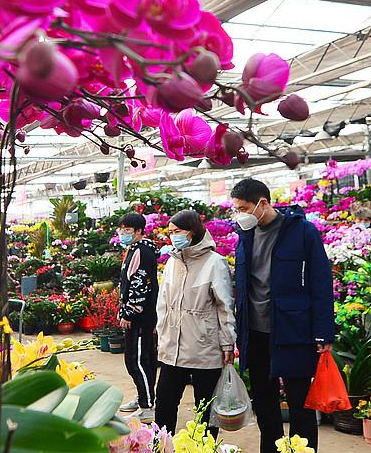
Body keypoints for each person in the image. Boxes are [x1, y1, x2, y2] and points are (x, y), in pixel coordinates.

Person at [231, 179, 334, 453]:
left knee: (300, 402)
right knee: (265, 403)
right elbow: (242, 287)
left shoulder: (302, 232)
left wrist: (323, 332)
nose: (238, 215)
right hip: (255, 333)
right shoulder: (245, 236)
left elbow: (321, 283)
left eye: (243, 208)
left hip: (292, 331)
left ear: (263, 204)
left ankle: (304, 449)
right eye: (236, 209)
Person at [154, 210, 236, 437]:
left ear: (192, 231)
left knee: (206, 410)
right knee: (164, 403)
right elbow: (163, 303)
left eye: (177, 231)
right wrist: (162, 334)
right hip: (172, 347)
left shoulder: (215, 263)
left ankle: (204, 448)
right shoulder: (173, 262)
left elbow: (225, 307)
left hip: (204, 347)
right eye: (170, 232)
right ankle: (162, 446)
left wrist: (228, 344)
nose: (173, 237)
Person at [116, 212, 160, 419]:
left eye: (127, 230)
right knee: (146, 359)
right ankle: (146, 396)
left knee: (137, 360)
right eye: (121, 229)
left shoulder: (141, 252)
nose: (123, 233)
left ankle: (147, 405)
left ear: (139, 231)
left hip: (140, 317)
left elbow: (140, 286)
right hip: (142, 315)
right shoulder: (135, 250)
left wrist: (129, 313)